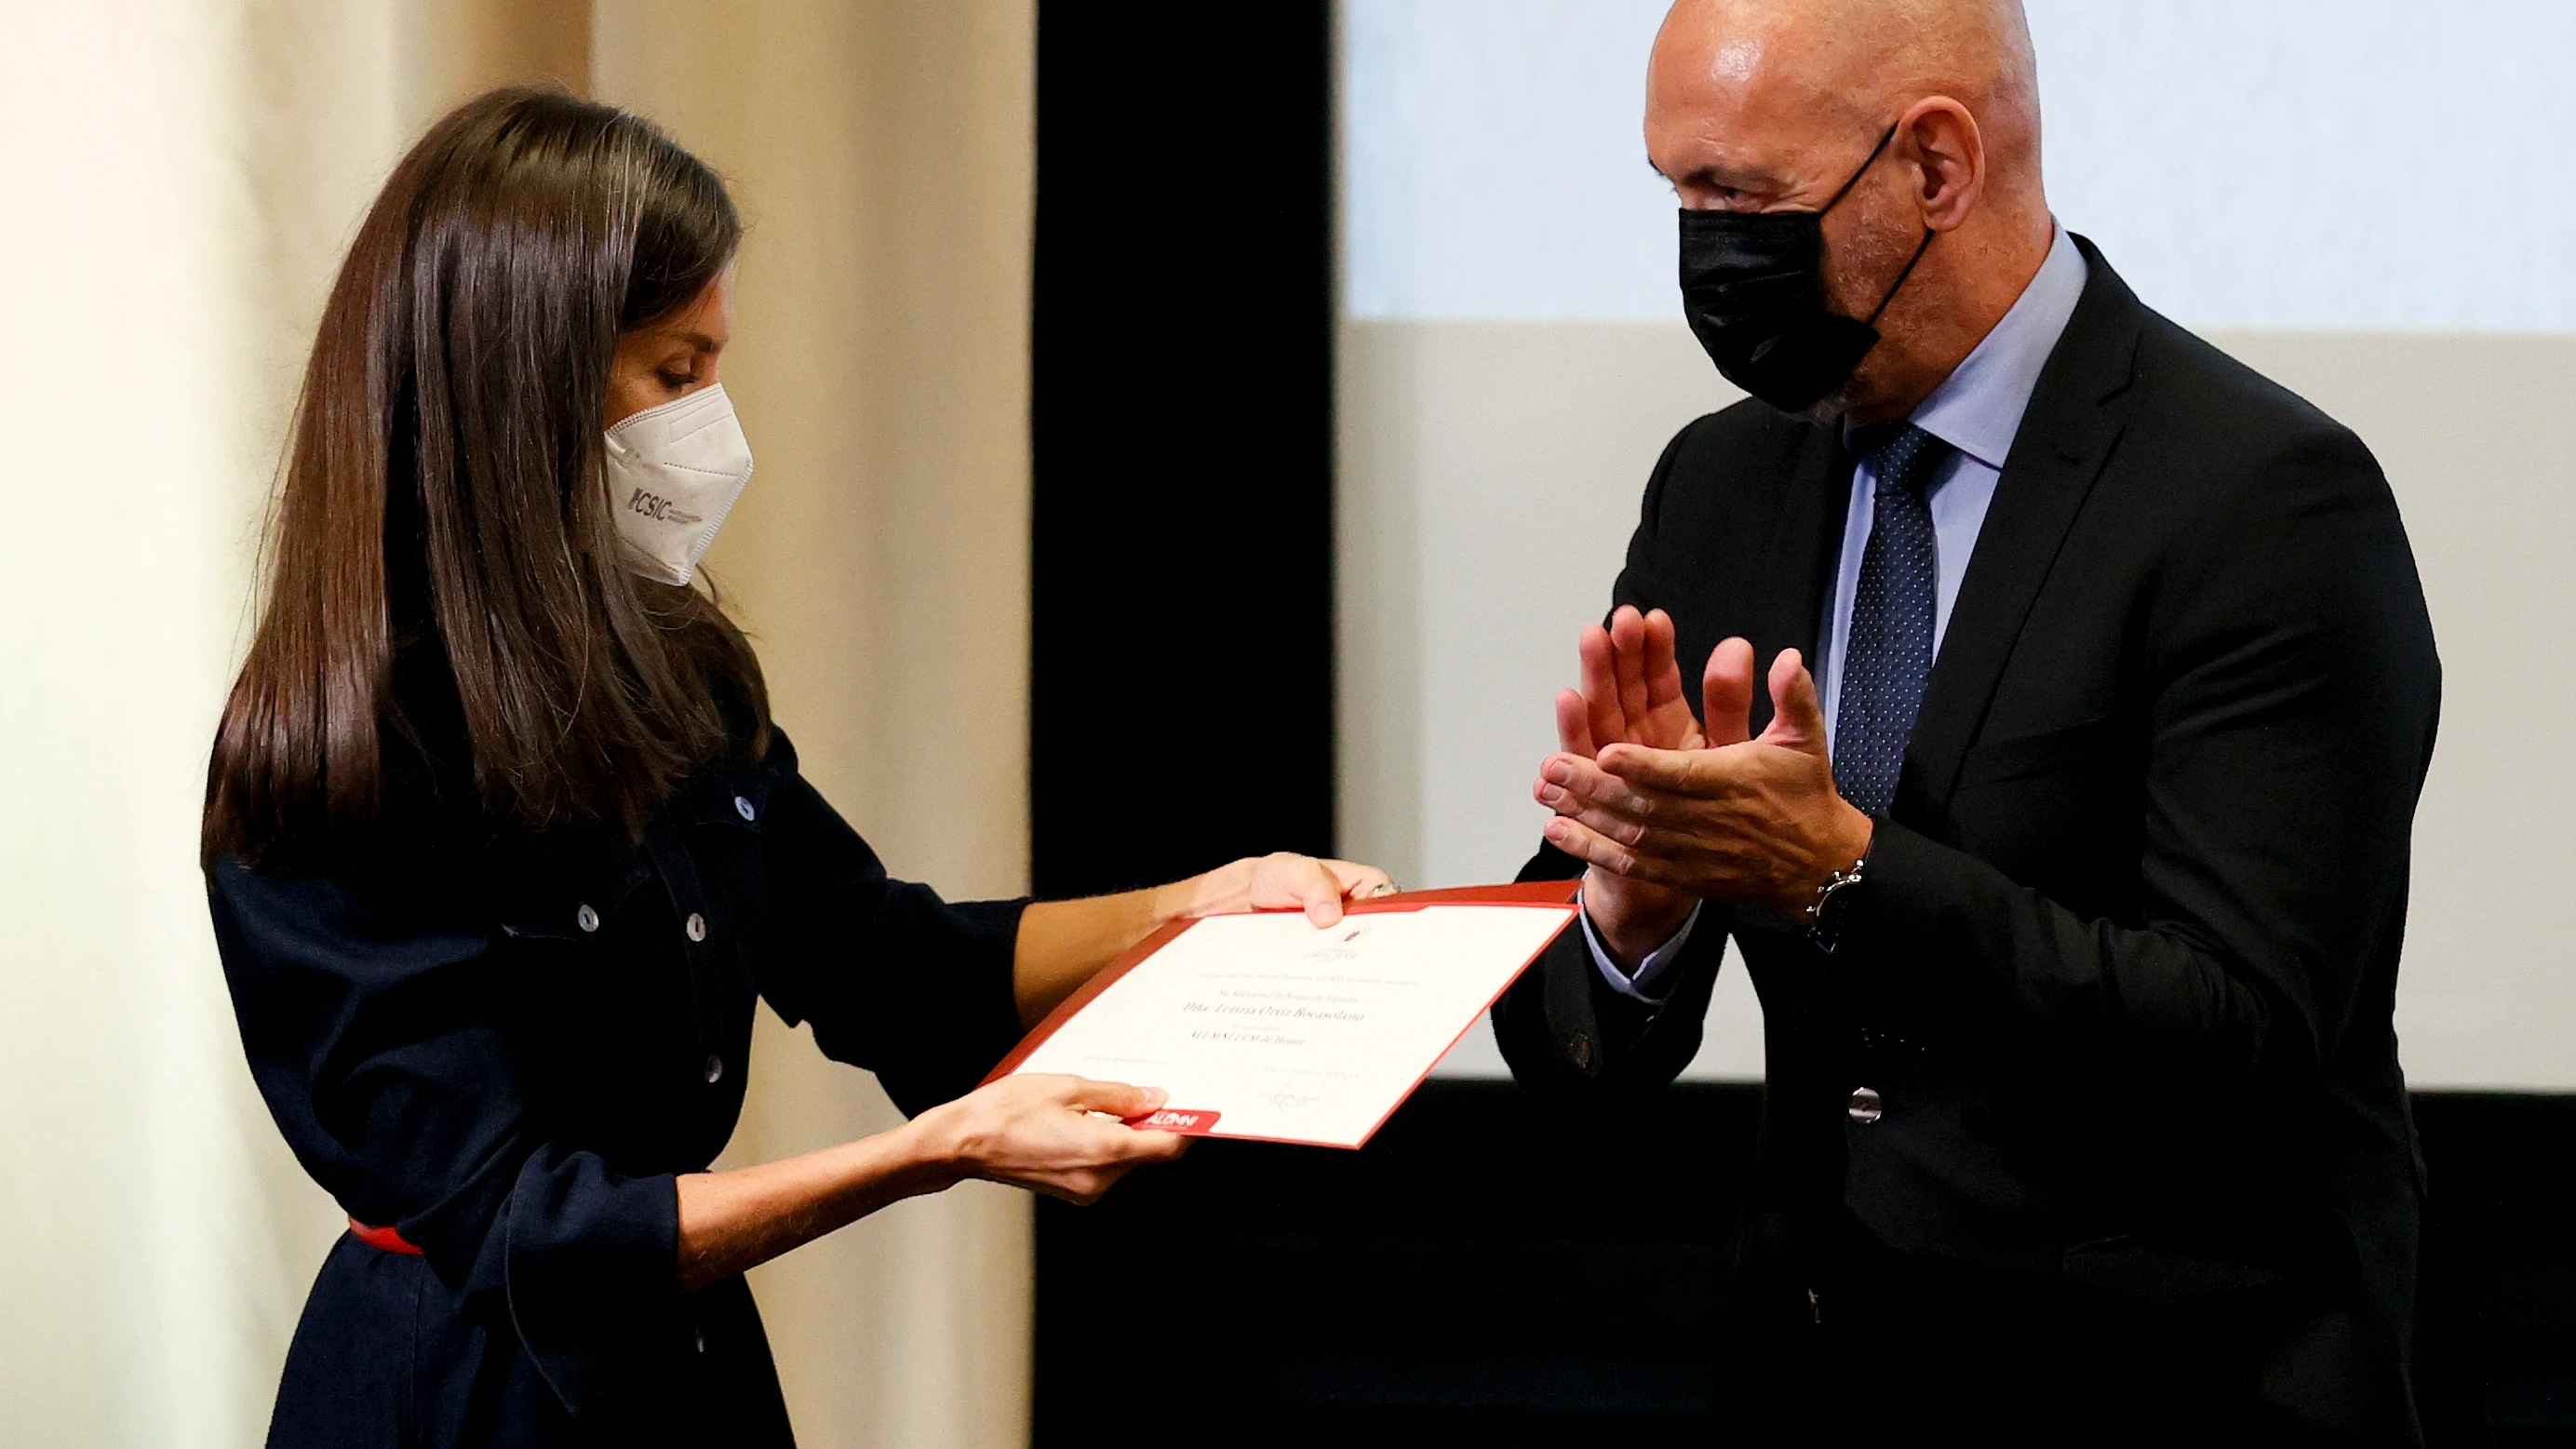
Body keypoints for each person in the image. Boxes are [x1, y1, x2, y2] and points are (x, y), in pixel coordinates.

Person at [203, 87, 1390, 1447]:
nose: (717, 428)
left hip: (689, 1367)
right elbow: (533, 1229)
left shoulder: (677, 677)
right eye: (677, 373)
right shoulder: (334, 762)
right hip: (463, 1393)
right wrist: (927, 1153)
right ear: (519, 382)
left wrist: (1191, 908)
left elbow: (893, 966)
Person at [1491, 1, 2445, 1441]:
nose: (1701, 245)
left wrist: (1837, 869)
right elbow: (1570, 1038)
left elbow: (2240, 1034)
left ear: (1937, 167)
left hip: (2173, 1398)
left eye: (1739, 196)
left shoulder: (2263, 502)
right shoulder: (1723, 483)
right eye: (1676, 192)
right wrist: (1635, 910)